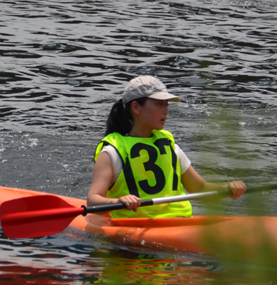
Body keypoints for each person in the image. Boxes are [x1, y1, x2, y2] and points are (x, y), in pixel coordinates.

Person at [87, 76, 246, 218]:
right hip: (132, 228)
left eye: (166, 104)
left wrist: (227, 189)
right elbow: (93, 201)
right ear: (136, 108)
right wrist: (119, 200)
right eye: (159, 104)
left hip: (178, 222)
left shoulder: (170, 147)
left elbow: (200, 187)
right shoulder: (112, 152)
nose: (166, 111)